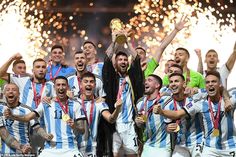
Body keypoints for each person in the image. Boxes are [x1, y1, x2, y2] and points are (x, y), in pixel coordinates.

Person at [155, 71, 236, 157]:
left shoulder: (230, 98)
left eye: (214, 82)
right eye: (207, 82)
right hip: (208, 148)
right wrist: (161, 112)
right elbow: (177, 114)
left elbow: (223, 89)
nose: (210, 84)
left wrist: (227, 99)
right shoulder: (198, 102)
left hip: (226, 146)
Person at [4, 76, 86, 157]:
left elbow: (82, 130)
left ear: (67, 87)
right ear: (54, 87)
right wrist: (12, 116)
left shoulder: (76, 105)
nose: (61, 87)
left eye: (63, 85)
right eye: (58, 85)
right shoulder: (46, 103)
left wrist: (74, 126)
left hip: (70, 149)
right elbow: (27, 118)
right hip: (50, 149)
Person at [103, 42, 144, 157]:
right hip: (114, 125)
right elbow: (107, 58)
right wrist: (115, 41)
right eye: (120, 59)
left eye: (125, 59)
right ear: (115, 63)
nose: (123, 62)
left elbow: (136, 59)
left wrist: (126, 41)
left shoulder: (132, 77)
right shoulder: (111, 78)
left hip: (130, 125)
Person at [77, 72, 122, 157]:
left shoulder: (99, 104)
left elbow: (111, 119)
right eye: (86, 81)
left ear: (95, 85)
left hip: (91, 147)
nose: (89, 84)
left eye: (91, 82)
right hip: (74, 146)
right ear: (80, 85)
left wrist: (118, 109)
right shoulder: (73, 102)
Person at [1, 83, 53, 154]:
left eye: (14, 90)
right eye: (8, 90)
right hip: (5, 152)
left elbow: (37, 127)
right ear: (4, 93)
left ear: (19, 94)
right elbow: (3, 133)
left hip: (25, 151)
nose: (10, 91)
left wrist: (46, 135)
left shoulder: (26, 110)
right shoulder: (0, 108)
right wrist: (20, 146)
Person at [162, 73, 203, 157]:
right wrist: (168, 128)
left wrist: (196, 89)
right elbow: (166, 126)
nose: (173, 84)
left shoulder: (193, 97)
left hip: (197, 140)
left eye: (176, 81)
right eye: (171, 82)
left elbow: (216, 89)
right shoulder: (167, 104)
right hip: (180, 143)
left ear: (184, 84)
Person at [135, 74, 171, 157]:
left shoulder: (166, 99)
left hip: (164, 146)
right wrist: (138, 122)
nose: (145, 83)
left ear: (157, 85)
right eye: (145, 81)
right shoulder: (140, 103)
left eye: (149, 80)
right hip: (148, 145)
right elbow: (141, 125)